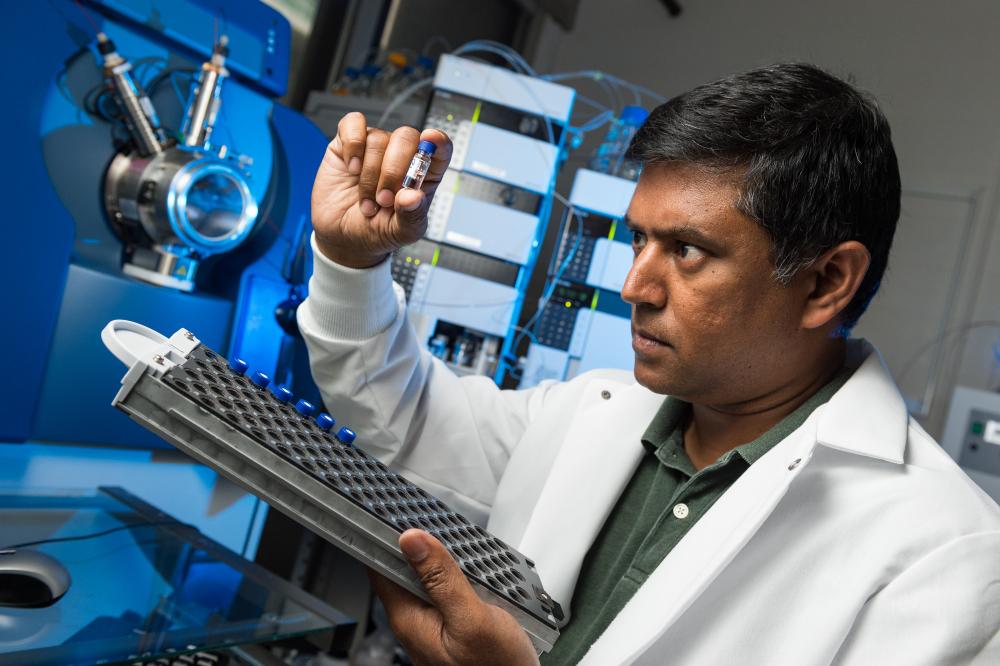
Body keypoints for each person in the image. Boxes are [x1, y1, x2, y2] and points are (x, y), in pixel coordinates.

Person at [298, 63, 1000, 665]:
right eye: (639, 240)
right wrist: (351, 261)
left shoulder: (947, 553)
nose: (634, 286)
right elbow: (405, 419)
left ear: (825, 283)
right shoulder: (592, 411)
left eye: (688, 250)